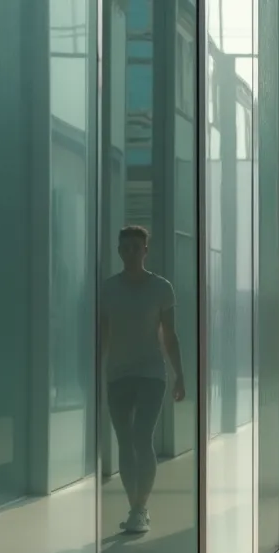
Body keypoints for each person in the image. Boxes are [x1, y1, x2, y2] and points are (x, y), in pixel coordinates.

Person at [100, 225, 186, 534]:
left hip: (151, 374)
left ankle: (140, 508)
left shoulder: (161, 288)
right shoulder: (108, 289)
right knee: (125, 440)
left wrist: (179, 375)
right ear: (119, 251)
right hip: (118, 375)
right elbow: (102, 336)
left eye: (137, 248)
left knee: (141, 437)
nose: (131, 253)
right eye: (126, 248)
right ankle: (133, 504)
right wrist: (95, 373)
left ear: (145, 251)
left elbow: (170, 336)